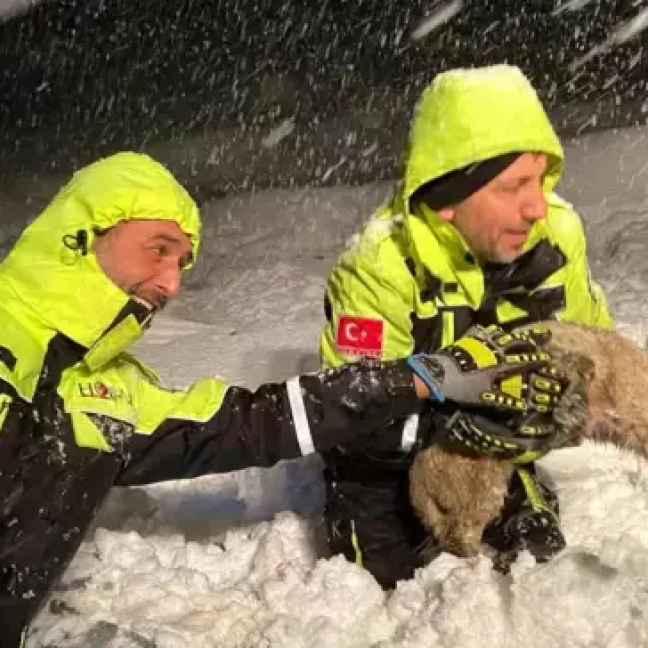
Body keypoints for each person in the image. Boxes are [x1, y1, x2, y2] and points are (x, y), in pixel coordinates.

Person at [0, 151, 568, 645]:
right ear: (82, 234)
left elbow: (258, 421)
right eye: (158, 249)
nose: (172, 283)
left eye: (181, 263)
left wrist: (421, 376)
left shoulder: (104, 392)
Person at [319, 64, 614, 589]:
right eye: (514, 186)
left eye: (541, 179)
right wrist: (459, 427)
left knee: (538, 557)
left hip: (497, 443)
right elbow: (354, 409)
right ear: (448, 200)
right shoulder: (380, 264)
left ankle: (515, 485)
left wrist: (556, 408)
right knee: (382, 577)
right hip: (389, 454)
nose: (537, 206)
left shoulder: (557, 234)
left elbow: (596, 354)